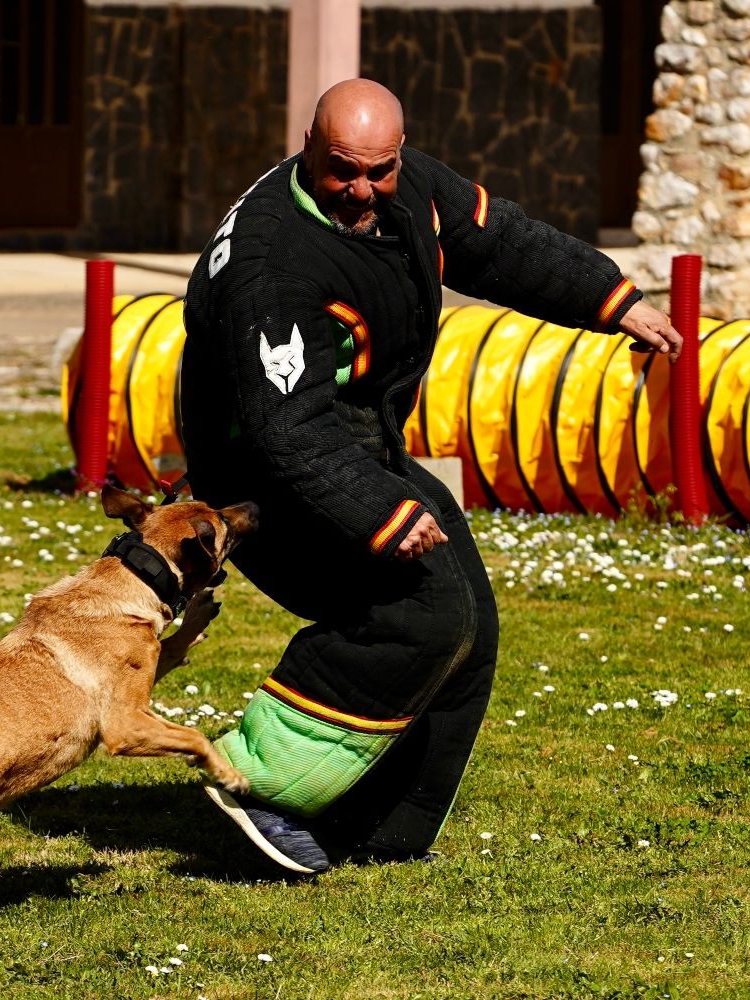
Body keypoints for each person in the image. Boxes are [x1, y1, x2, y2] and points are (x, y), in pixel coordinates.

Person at [179, 79, 682, 874]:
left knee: (470, 619)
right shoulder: (274, 266)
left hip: (352, 437)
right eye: (342, 170)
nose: (362, 190)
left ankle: (384, 827)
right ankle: (261, 783)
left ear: (399, 154)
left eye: (378, 171)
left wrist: (609, 299)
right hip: (262, 471)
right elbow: (286, 429)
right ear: (307, 147)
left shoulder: (407, 186)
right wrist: (381, 511)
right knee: (421, 612)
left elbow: (501, 243)